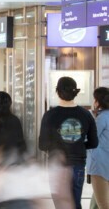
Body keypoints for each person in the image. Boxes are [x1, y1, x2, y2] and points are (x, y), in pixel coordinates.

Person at [39, 76, 98, 209]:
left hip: (57, 166)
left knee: (60, 205)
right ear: (75, 92)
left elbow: (42, 145)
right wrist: (79, 144)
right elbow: (94, 143)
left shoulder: (49, 115)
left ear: (57, 91)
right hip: (78, 165)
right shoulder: (86, 114)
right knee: (75, 203)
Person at [89, 87, 109, 209]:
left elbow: (91, 139)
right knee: (96, 202)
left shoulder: (102, 118)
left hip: (100, 166)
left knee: (103, 204)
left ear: (97, 101)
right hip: (105, 164)